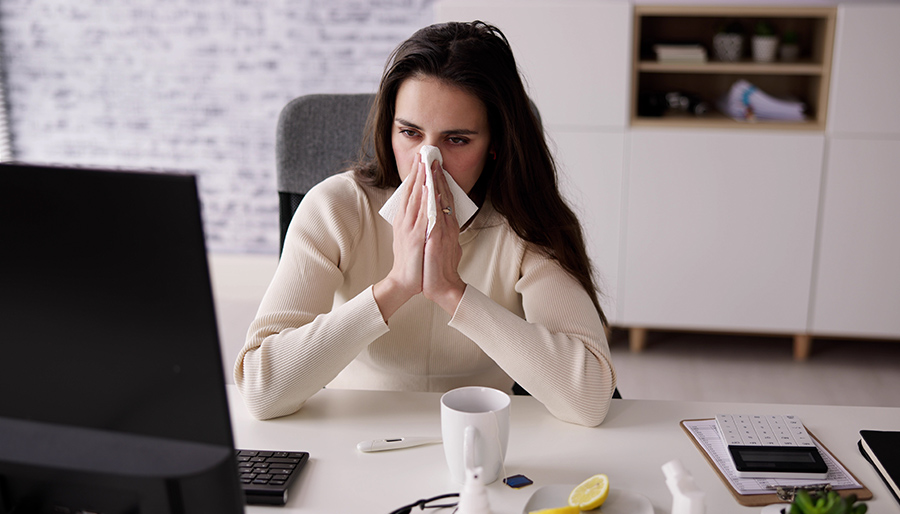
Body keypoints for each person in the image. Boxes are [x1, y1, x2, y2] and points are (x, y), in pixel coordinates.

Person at [234, 21, 616, 427]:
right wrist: (397, 285)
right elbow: (261, 390)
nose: (426, 162)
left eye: (457, 140)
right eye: (410, 133)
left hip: (481, 436)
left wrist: (451, 291)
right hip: (352, 433)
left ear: (495, 146)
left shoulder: (526, 222)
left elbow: (590, 399)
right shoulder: (336, 208)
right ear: (389, 130)